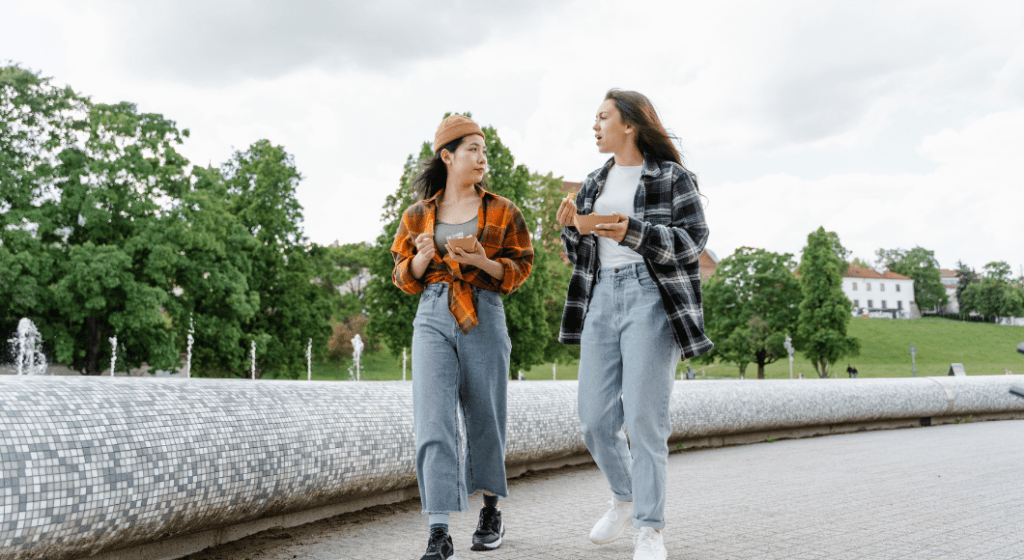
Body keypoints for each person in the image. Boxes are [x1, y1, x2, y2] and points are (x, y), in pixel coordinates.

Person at [556, 90, 713, 560]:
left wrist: (628, 230)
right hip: (601, 296)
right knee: (594, 419)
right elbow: (577, 256)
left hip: (651, 295)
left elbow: (692, 242)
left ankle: (650, 528)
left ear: (629, 124)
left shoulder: (671, 177)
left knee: (645, 419)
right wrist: (572, 228)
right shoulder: (591, 181)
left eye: (602, 117)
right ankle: (625, 496)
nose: (595, 125)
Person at [392, 115, 534, 560]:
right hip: (432, 312)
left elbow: (520, 268)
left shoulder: (503, 210)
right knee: (433, 422)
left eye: (484, 149)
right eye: (472, 148)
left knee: (486, 417)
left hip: (484, 311)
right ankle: (439, 530)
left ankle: (491, 510)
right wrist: (420, 259)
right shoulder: (416, 216)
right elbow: (401, 276)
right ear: (447, 155)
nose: (481, 157)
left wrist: (482, 261)